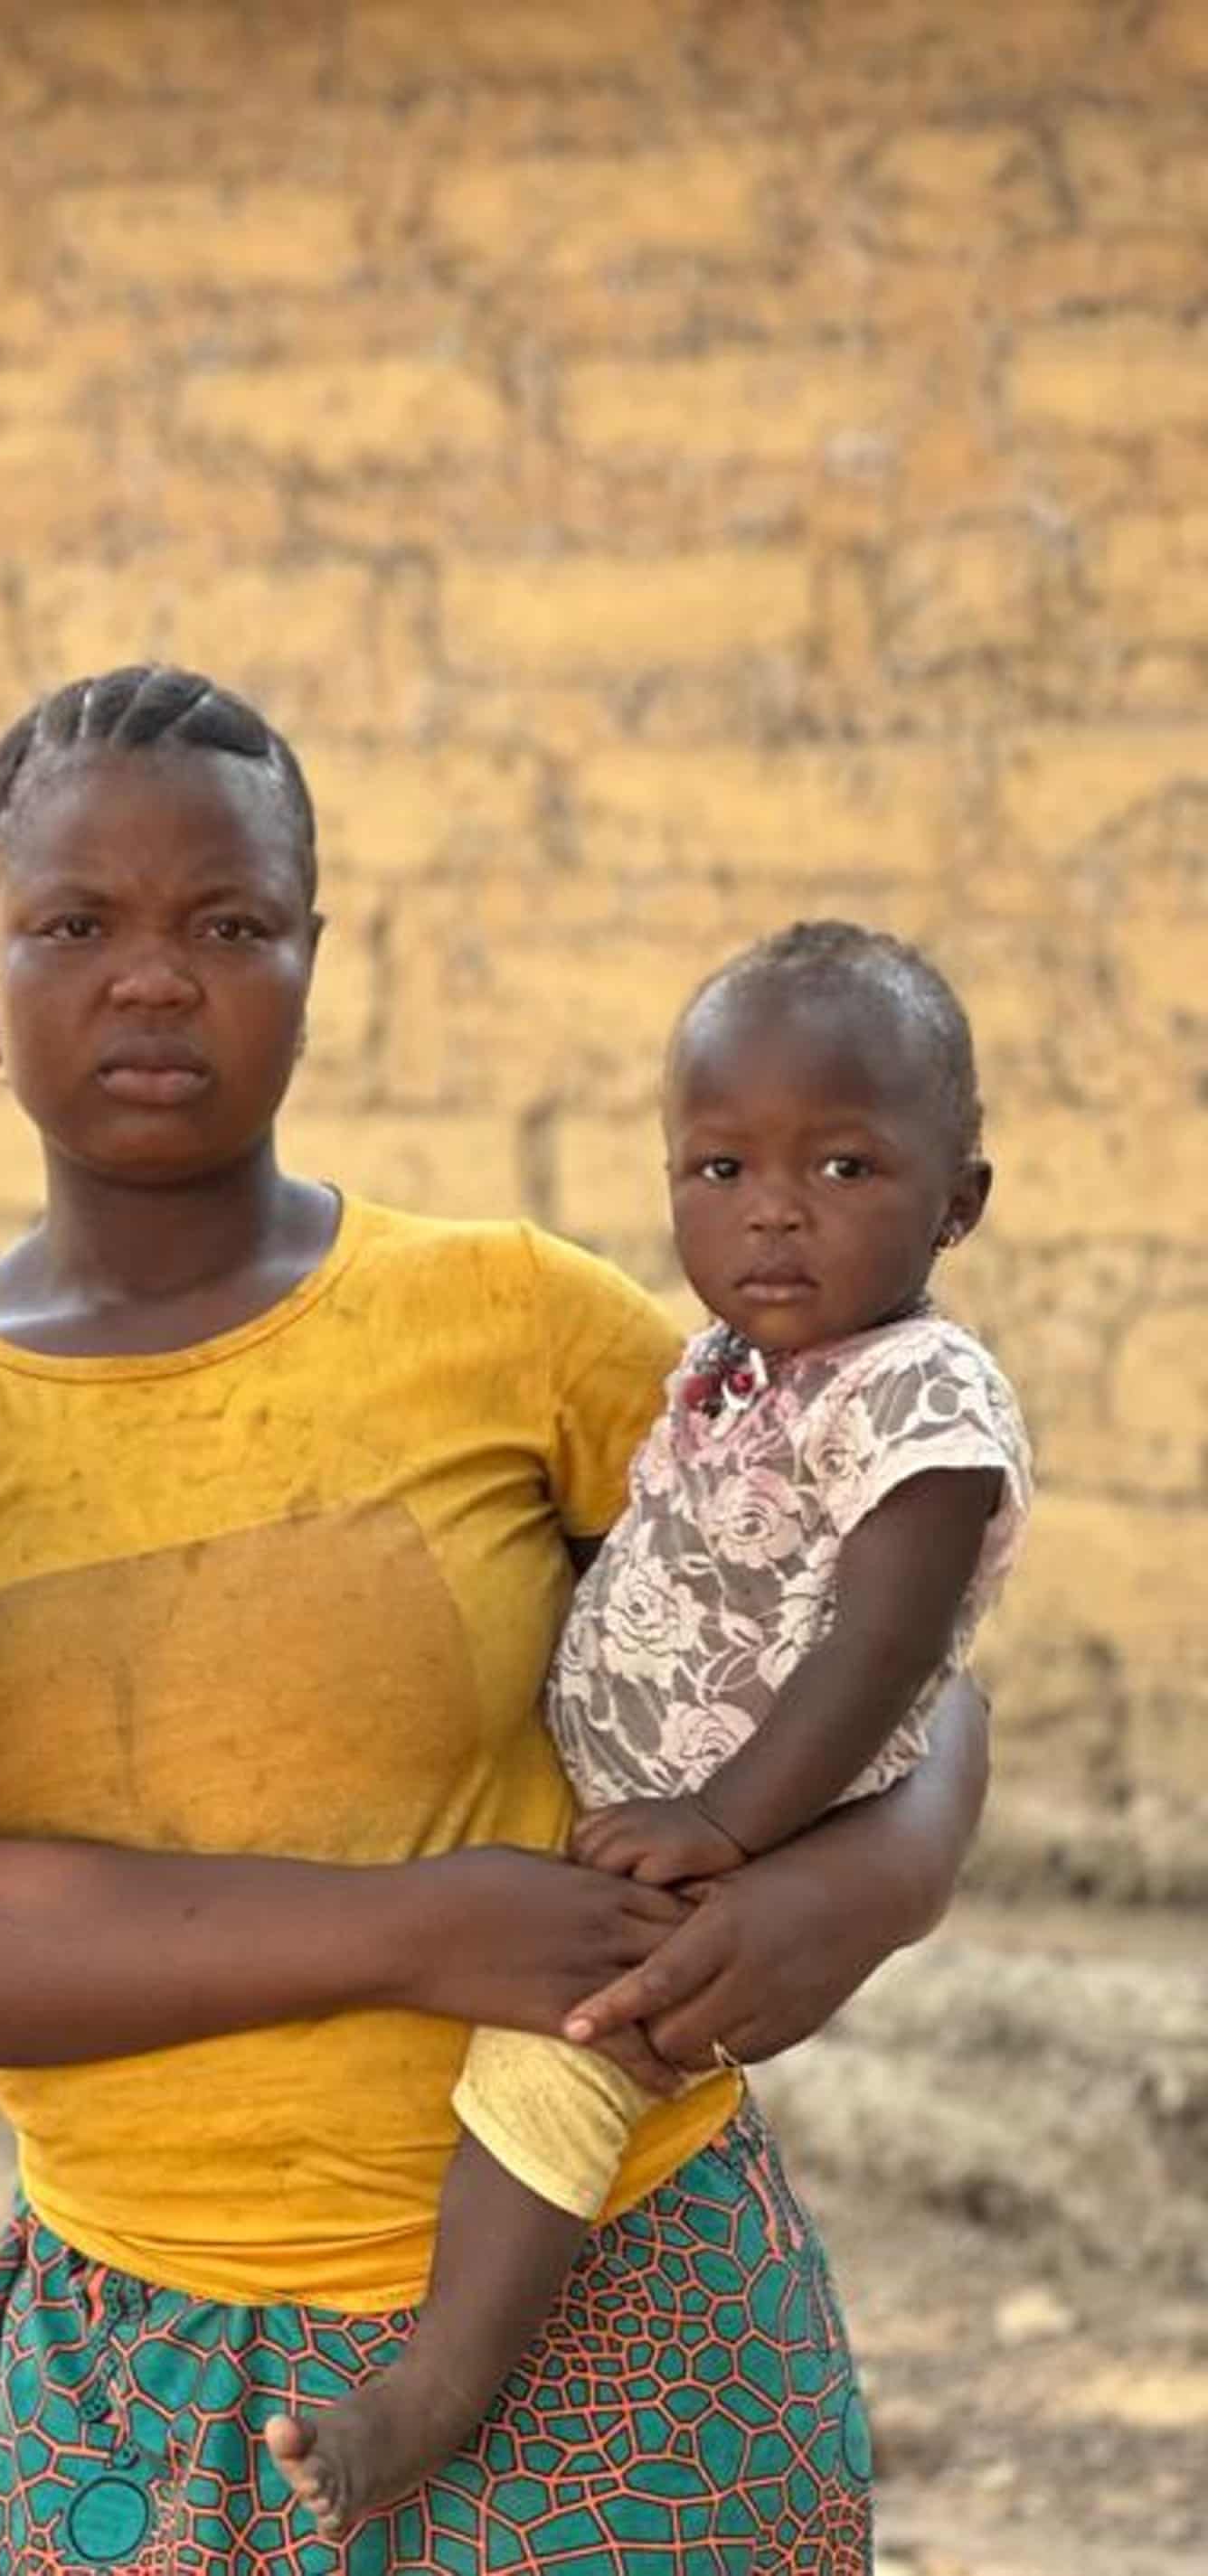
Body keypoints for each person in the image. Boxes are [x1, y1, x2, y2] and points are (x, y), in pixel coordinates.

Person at [0, 665, 992, 2576]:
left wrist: (857, 1895)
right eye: (76, 924)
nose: (155, 978)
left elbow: (891, 1628)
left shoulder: (507, 1320)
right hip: (139, 2367)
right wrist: (425, 1929)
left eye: (229, 924)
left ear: (314, 957)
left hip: (618, 2327)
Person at [272, 921, 1031, 2534]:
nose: (770, 1207)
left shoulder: (924, 1401)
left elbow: (884, 1646)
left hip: (733, 1824)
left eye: (843, 1165)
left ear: (957, 1201)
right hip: (640, 1787)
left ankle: (431, 2392)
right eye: (717, 1166)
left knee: (564, 2061)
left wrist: (732, 1824)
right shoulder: (727, 1365)